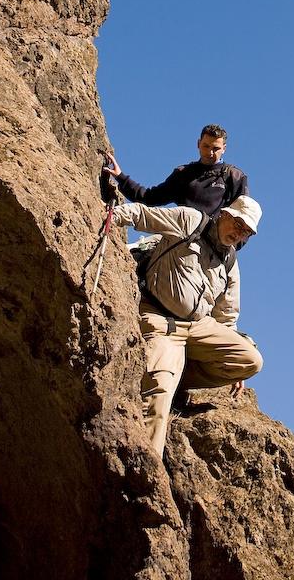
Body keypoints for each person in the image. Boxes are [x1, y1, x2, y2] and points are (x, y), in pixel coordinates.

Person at [112, 194, 263, 455]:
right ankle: (148, 466)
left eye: (246, 232)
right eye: (238, 224)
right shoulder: (190, 221)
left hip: (198, 326)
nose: (239, 234)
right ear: (225, 214)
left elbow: (227, 315)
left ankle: (177, 372)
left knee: (250, 361)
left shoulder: (230, 260)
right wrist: (111, 216)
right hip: (161, 319)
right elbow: (143, 215)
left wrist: (233, 361)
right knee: (159, 394)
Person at [105, 123, 248, 217]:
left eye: (216, 148)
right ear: (198, 144)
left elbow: (245, 216)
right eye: (206, 146)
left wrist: (229, 247)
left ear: (224, 149)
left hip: (214, 243)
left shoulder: (234, 176)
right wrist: (120, 176)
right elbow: (149, 198)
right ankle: (116, 214)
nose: (210, 153)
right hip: (180, 232)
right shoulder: (184, 174)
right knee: (139, 250)